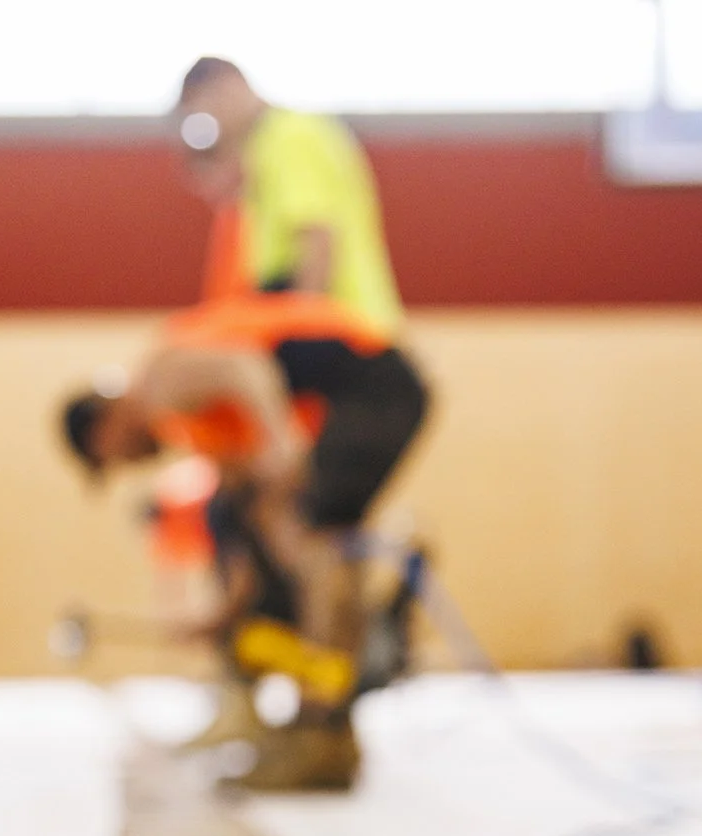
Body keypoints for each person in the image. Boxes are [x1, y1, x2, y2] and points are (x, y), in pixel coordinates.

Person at [59, 292, 428, 791]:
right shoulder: (196, 426)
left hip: (375, 382)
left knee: (322, 546)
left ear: (106, 426)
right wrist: (233, 608)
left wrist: (280, 442)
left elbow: (247, 367)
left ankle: (322, 732)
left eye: (112, 458)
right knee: (312, 549)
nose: (127, 467)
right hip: (370, 392)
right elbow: (256, 509)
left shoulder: (161, 381)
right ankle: (325, 724)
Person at [176, 57, 402, 338]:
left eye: (208, 109)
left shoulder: (288, 136)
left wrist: (302, 330)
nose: (215, 125)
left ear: (230, 86)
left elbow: (318, 236)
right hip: (331, 318)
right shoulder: (266, 147)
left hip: (346, 326)